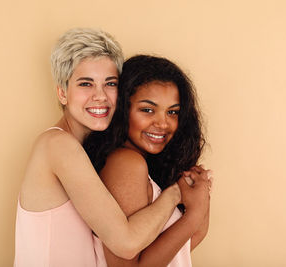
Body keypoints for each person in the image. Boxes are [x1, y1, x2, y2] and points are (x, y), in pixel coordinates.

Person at [14, 29, 185, 267]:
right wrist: (175, 193)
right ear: (62, 93)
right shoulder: (58, 146)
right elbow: (125, 244)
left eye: (110, 84)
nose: (100, 96)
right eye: (86, 84)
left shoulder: (85, 150)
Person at [84, 55, 213, 266]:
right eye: (147, 110)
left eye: (172, 112)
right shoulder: (126, 163)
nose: (163, 123)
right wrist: (193, 214)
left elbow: (179, 251)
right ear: (123, 110)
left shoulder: (142, 165)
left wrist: (201, 199)